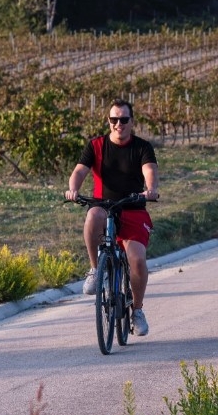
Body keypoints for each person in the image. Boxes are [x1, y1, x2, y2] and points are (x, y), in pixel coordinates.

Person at [65, 99, 160, 336]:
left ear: (131, 121)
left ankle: (137, 310)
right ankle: (96, 270)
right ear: (108, 121)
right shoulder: (95, 145)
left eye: (124, 119)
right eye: (114, 119)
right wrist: (73, 189)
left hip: (133, 208)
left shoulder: (142, 147)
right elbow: (79, 170)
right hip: (105, 207)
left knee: (137, 260)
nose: (119, 124)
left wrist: (150, 190)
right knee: (93, 214)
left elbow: (150, 170)